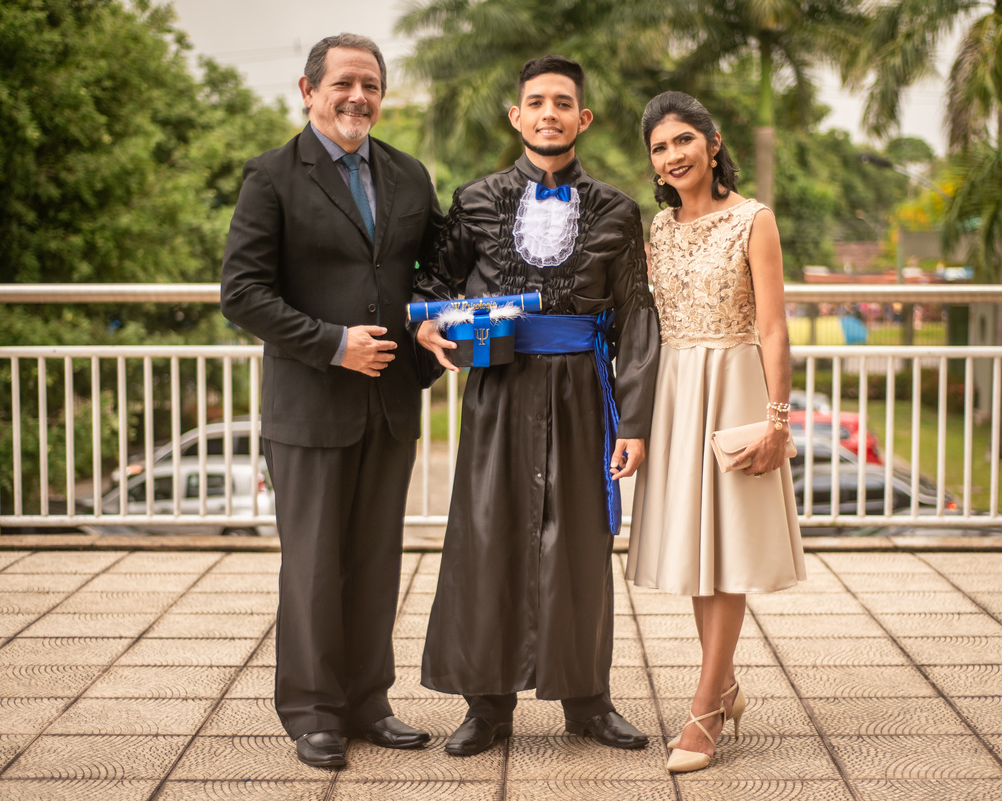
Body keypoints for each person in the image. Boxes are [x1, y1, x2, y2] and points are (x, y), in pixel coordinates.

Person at [414, 55, 660, 757]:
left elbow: (638, 318)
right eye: (535, 101)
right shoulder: (475, 199)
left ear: (581, 119)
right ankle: (486, 708)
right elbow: (435, 279)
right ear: (516, 116)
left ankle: (588, 702)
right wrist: (427, 322)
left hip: (585, 389)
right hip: (500, 387)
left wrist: (635, 423)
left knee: (581, 545)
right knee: (487, 539)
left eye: (563, 103)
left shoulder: (618, 208)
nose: (548, 112)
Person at [220, 33, 443, 769]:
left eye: (371, 85)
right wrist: (332, 342)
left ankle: (368, 700)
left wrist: (438, 322)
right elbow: (242, 294)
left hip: (393, 402)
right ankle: (312, 708)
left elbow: (437, 271)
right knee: (314, 562)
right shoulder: (271, 176)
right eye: (344, 83)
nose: (358, 97)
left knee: (377, 559)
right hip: (310, 404)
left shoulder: (410, 176)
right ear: (308, 90)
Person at [625, 91, 806, 773]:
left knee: (727, 549)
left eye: (682, 141)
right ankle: (726, 684)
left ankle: (703, 708)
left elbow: (773, 326)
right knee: (701, 548)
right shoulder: (659, 228)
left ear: (713, 141)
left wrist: (777, 419)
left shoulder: (754, 219)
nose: (672, 156)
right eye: (659, 148)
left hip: (735, 385)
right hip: (676, 389)